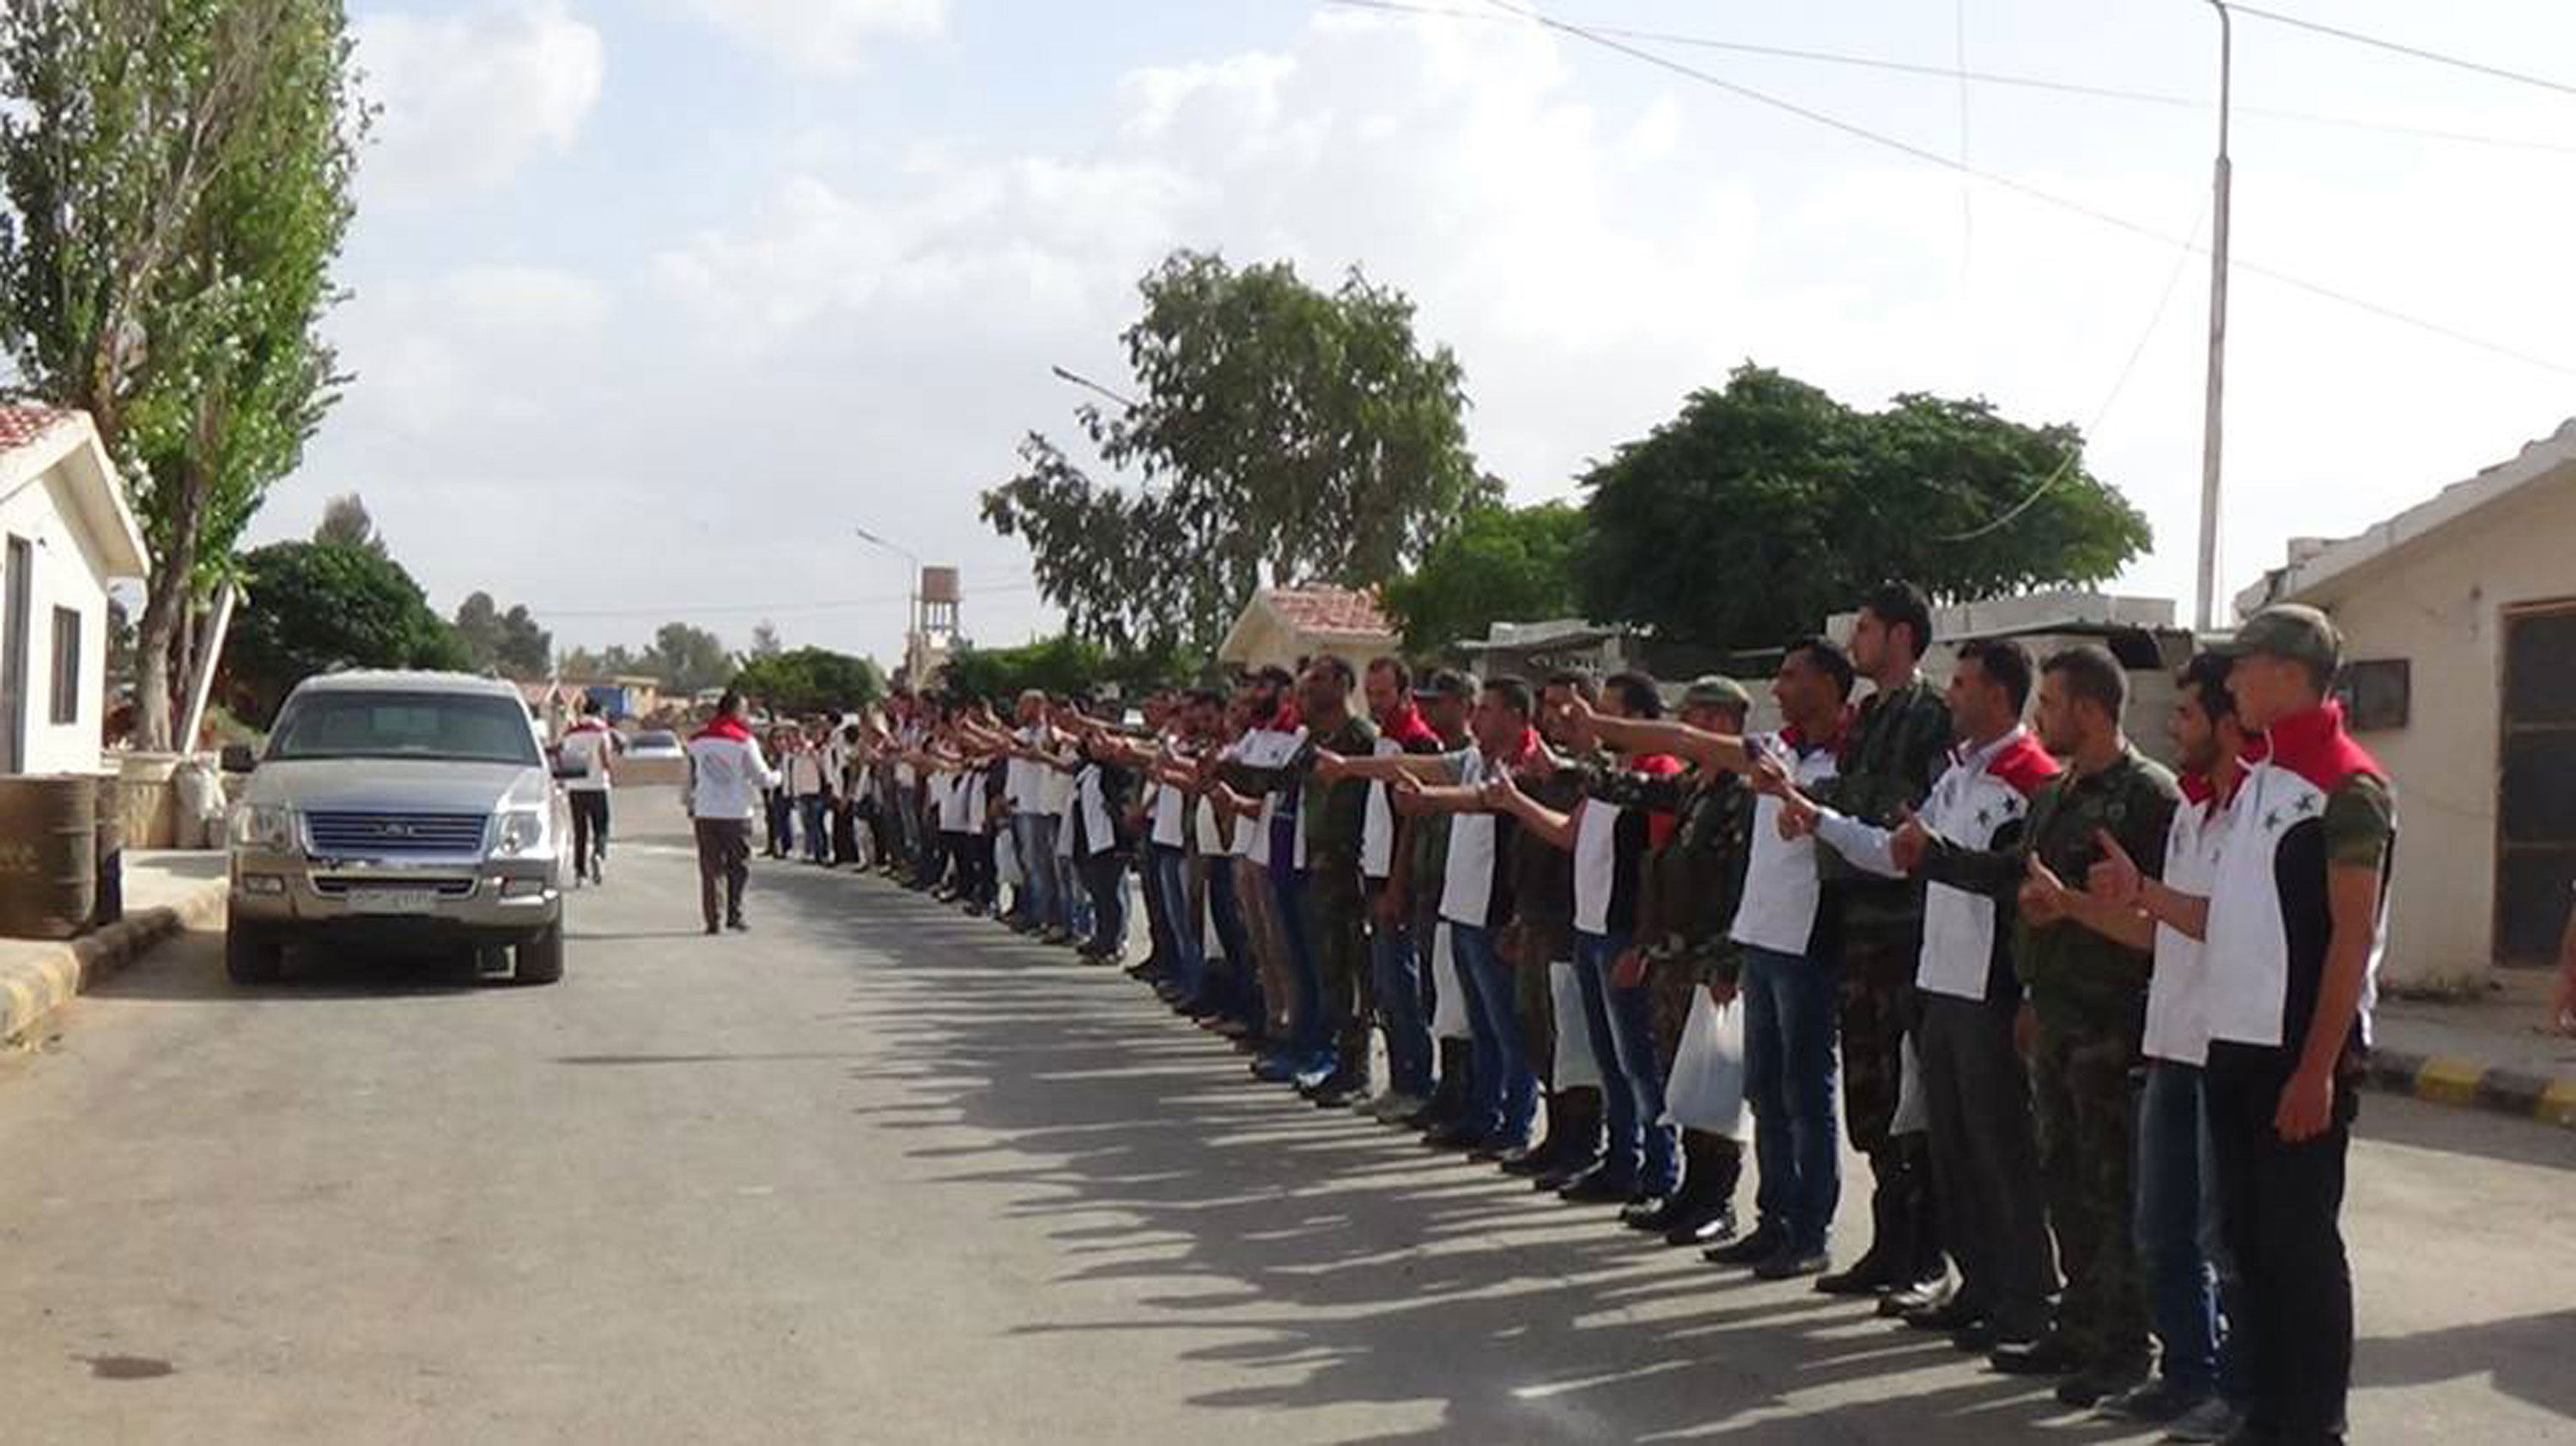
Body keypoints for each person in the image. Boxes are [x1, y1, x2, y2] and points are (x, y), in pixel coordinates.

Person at [2091, 605, 2393, 1446]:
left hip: (2297, 1052)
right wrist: (2144, 894)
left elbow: (2353, 937)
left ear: (2289, 673)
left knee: (2299, 1247)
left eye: (2246, 664)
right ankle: (2266, 1411)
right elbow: (2224, 918)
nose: (2234, 681)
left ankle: (2314, 1422)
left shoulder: (2347, 787)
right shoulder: (2261, 780)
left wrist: (2317, 1069)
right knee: (2249, 1244)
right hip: (2232, 1044)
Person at [1893, 645, 2178, 1407]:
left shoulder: (2148, 796)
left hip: (2112, 1019)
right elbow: (2016, 873)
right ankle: (2077, 1326)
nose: (2040, 716)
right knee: (2063, 1179)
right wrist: (1935, 857)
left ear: (2087, 709)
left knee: (2112, 1187)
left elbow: (2163, 911)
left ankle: (2126, 1345)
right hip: (2053, 1012)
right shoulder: (2058, 792)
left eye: (2049, 703)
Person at [1776, 640, 2061, 1357]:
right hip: (1938, 979)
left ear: (1997, 694)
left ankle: (2028, 1298)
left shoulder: (2030, 780)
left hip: (1990, 988)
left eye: (1962, 684)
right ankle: (1979, 1285)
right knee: (1954, 1151)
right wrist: (1820, 820)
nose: (1950, 695)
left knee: (2001, 1153)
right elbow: (1897, 855)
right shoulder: (1961, 775)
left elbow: (2020, 886)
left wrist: (2029, 993)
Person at [1571, 639, 1856, 1281]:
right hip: (1760, 941)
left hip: (1803, 946)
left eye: (1791, 676)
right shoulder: (1774, 752)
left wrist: (1603, 726)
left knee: (1804, 1096)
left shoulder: (1847, 759)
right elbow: (1651, 777)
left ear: (1828, 684)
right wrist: (1588, 747)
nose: (1777, 688)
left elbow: (1679, 744)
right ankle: (1773, 1220)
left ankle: (1808, 1228)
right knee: (1763, 1092)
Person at [1321, 676, 1552, 1156]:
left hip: (1495, 913)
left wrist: (1429, 801)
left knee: (1508, 1029)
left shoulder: (1529, 764)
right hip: (1461, 910)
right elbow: (1411, 764)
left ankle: (1516, 1123)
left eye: (1487, 709)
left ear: (1515, 716)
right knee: (1479, 1025)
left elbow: (1482, 800)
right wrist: (1348, 767)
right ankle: (1484, 1114)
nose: (1478, 718)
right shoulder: (1471, 759)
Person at [1485, 671, 1687, 1213]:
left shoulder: (1658, 775)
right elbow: (1570, 834)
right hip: (1591, 932)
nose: (1595, 723)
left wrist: (1643, 943)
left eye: (1608, 712)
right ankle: (1622, 1160)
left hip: (1623, 935)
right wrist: (1515, 801)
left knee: (1639, 1062)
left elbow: (1660, 869)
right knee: (1610, 1060)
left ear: (1638, 719)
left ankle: (1659, 1168)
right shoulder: (1609, 775)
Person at [1809, 581, 1952, 1300]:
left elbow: (1908, 812)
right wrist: (1835, 808)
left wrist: (1829, 804)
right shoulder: (1866, 717)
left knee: (1906, 1099)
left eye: (1864, 628)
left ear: (1900, 636)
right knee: (1868, 1100)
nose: (1854, 642)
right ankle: (1888, 1240)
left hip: (1906, 932)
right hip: (1857, 927)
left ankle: (1922, 1251)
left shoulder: (1932, 715)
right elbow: (1852, 802)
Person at [1621, 675, 1759, 1249]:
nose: (1684, 730)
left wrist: (1728, 963)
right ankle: (1690, 1192)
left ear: (1722, 723)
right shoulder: (1695, 788)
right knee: (1681, 1077)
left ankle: (1717, 1199)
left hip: (1709, 960)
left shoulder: (1740, 794)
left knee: (1714, 1084)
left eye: (1694, 718)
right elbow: (1633, 790)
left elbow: (1742, 885)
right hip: (1675, 957)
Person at [683, 690, 779, 935]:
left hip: (706, 811)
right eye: (745, 710)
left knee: (711, 868)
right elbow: (761, 776)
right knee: (738, 866)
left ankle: (713, 918)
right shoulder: (744, 740)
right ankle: (734, 914)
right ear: (736, 711)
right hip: (736, 812)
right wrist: (777, 777)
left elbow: (689, 776)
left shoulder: (696, 741)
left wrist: (689, 802)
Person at [556, 697, 619, 885]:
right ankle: (599, 854)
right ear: (599, 712)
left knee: (580, 831)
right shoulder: (601, 731)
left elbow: (563, 757)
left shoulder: (571, 732)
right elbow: (605, 758)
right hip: (597, 786)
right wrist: (612, 774)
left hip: (576, 787)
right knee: (601, 827)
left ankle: (579, 872)